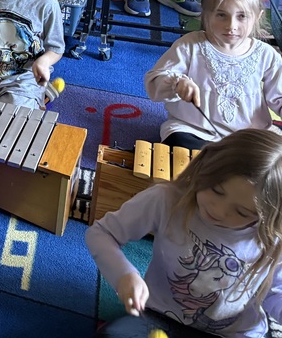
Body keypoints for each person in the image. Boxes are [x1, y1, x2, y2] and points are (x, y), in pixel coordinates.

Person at [86, 128, 282, 337]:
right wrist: (124, 275)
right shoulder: (167, 199)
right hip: (160, 316)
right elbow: (102, 233)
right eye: (216, 190)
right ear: (205, 166)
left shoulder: (272, 238)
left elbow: (275, 294)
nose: (218, 210)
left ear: (267, 216)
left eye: (241, 212)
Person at [144, 0, 282, 150]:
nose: (231, 26)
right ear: (206, 14)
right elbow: (155, 83)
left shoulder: (266, 54)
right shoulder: (190, 45)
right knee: (179, 144)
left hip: (248, 137)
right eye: (221, 15)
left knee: (271, 157)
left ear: (257, 17)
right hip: (194, 131)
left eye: (242, 16)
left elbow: (279, 97)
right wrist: (177, 84)